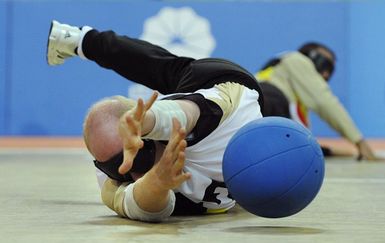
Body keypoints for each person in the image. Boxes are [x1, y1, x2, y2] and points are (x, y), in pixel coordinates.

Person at [47, 20, 263, 222]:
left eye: (140, 159)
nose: (130, 172)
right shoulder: (111, 179)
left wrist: (146, 121)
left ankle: (83, 40)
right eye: (114, 168)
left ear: (151, 139)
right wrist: (156, 184)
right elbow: (143, 207)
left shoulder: (222, 113)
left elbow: (186, 114)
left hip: (217, 81)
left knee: (163, 68)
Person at [256, 42, 382, 160]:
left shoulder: (281, 77)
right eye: (325, 64)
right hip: (269, 101)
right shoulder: (297, 59)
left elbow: (298, 143)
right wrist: (360, 142)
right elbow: (325, 102)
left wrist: (330, 151)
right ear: (311, 55)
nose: (327, 74)